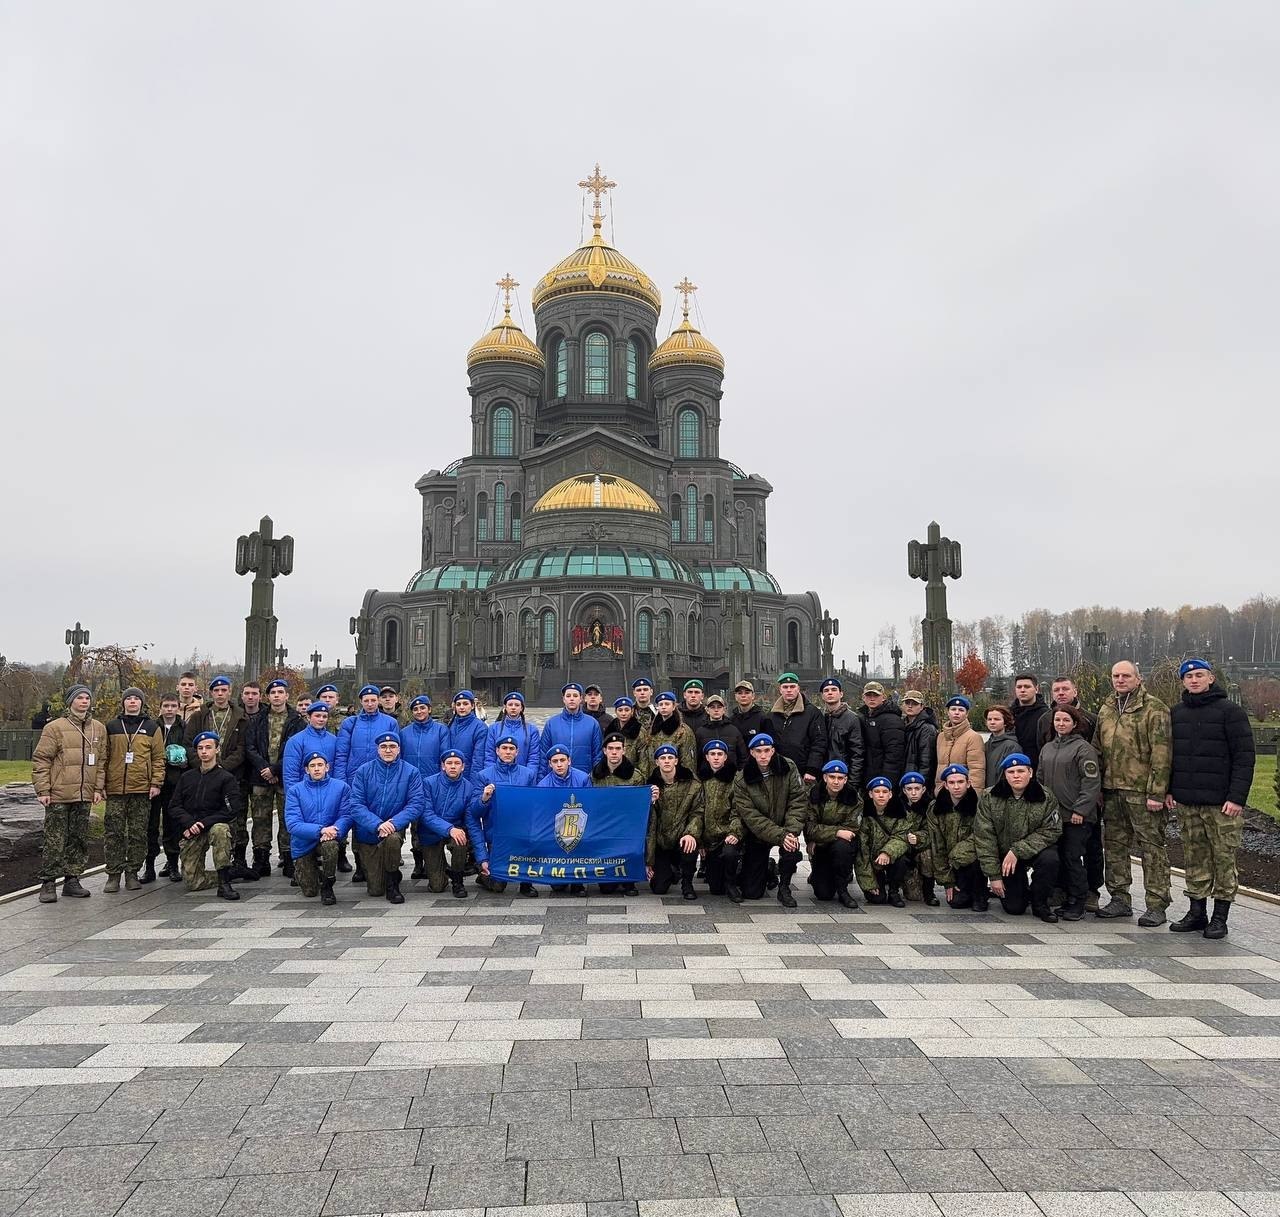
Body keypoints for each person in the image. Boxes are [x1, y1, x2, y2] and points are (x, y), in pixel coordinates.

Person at [1167, 658, 1256, 940]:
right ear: (1182, 682)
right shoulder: (1176, 713)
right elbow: (1170, 757)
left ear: (1210, 678)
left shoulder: (1231, 712)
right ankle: (1197, 911)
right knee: (1194, 857)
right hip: (1188, 801)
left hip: (1222, 804)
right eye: (1189, 676)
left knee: (1223, 858)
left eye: (1199, 675)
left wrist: (1237, 797)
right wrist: (1169, 789)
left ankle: (1220, 916)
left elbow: (1244, 757)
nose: (1194, 680)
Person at [1093, 660, 1172, 925]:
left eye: (1126, 675)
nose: (1120, 680)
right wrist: (1098, 788)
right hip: (1112, 790)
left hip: (1142, 792)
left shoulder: (1154, 709)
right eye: (1116, 675)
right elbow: (1097, 750)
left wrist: (1157, 793)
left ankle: (1157, 904)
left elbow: (1162, 754)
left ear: (1138, 678)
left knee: (1151, 848)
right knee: (1114, 846)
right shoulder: (1107, 709)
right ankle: (1119, 898)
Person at [33, 684, 105, 903]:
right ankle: (48, 882)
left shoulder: (98, 729)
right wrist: (43, 789)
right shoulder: (55, 728)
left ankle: (72, 878)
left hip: (84, 794)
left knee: (78, 838)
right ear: (70, 701)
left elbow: (101, 761)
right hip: (59, 794)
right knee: (55, 839)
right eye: (79, 698)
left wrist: (98, 788)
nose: (84, 701)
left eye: (87, 698)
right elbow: (42, 759)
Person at [1034, 677, 1102, 911]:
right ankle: (1064, 896)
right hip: (1055, 815)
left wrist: (1081, 810)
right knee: (1061, 856)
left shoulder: (1084, 748)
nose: (1061, 724)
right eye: (1058, 720)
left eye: (1066, 720)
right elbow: (1040, 779)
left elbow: (1091, 782)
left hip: (1077, 816)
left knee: (1074, 858)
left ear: (1075, 723)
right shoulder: (1048, 748)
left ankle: (1079, 901)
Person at [973, 752, 1063, 922]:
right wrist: (994, 876)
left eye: (1021, 771)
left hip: (1032, 852)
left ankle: (1040, 903)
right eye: (1011, 772)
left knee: (1050, 858)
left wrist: (1017, 850)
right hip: (1005, 857)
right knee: (1014, 908)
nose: (1016, 776)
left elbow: (1052, 830)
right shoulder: (990, 797)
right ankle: (1021, 891)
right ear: (1005, 775)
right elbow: (985, 838)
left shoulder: (1045, 797)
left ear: (1030, 773)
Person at [101, 687, 165, 893]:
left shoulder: (152, 727)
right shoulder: (111, 726)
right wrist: (100, 784)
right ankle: (113, 874)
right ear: (123, 702)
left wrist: (156, 783)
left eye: (137, 699)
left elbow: (158, 758)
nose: (132, 702)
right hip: (115, 790)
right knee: (114, 832)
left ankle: (132, 872)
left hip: (141, 789)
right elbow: (104, 757)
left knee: (138, 833)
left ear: (141, 703)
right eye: (128, 698)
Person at [731, 734, 807, 907]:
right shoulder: (742, 779)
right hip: (758, 833)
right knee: (751, 892)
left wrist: (790, 832)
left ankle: (784, 888)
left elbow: (798, 801)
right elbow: (751, 816)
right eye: (759, 751)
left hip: (786, 827)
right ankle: (769, 867)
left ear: (773, 751)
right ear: (752, 753)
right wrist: (779, 835)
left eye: (767, 751)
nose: (763, 755)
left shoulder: (788, 767)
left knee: (791, 846)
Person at [349, 732, 425, 904]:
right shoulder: (364, 771)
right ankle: (384, 872)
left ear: (398, 749)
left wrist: (393, 823)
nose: (388, 750)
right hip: (369, 832)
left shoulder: (411, 772)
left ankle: (393, 884)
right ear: (378, 749)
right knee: (375, 890)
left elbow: (416, 804)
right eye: (384, 747)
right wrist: (377, 824)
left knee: (391, 840)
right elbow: (356, 805)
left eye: (392, 746)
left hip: (393, 827)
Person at [336, 685, 399, 883]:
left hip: (382, 778)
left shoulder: (390, 722)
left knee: (382, 816)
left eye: (373, 700)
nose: (370, 704)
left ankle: (383, 860)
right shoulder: (350, 723)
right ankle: (361, 864)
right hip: (355, 779)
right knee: (358, 819)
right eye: (366, 700)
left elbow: (397, 752)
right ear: (361, 702)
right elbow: (341, 754)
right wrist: (341, 781)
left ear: (378, 701)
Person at [169, 731, 242, 900]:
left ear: (217, 749)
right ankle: (231, 873)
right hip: (193, 828)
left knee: (220, 831)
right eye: (200, 748)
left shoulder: (226, 778)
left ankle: (224, 883)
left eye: (208, 747)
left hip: (213, 825)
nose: (204, 751)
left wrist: (203, 823)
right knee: (193, 882)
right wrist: (189, 823)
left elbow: (231, 810)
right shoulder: (187, 777)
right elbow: (174, 806)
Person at [245, 678, 305, 878]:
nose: (277, 695)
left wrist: (275, 769)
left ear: (287, 696)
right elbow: (250, 747)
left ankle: (288, 858)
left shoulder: (297, 720)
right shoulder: (258, 719)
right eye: (273, 692)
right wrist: (265, 768)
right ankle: (261, 859)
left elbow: (297, 749)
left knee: (286, 818)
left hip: (285, 777)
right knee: (260, 819)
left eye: (281, 692)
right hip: (260, 776)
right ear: (268, 696)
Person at [185, 676, 249, 860]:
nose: (220, 694)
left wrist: (222, 767)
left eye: (224, 690)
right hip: (203, 776)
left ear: (230, 692)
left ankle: (237, 859)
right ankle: (196, 856)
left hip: (231, 775)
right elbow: (189, 744)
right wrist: (203, 765)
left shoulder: (240, 717)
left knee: (236, 816)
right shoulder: (200, 716)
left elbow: (242, 747)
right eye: (216, 691)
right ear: (211, 693)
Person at [469, 734, 538, 894]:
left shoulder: (527, 774)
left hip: (521, 832)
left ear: (517, 752)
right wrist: (484, 798)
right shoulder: (484, 775)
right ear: (497, 751)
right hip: (497, 835)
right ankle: (483, 875)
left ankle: (526, 883)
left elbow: (534, 805)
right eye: (504, 748)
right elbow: (475, 812)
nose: (508, 752)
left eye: (511, 749)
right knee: (498, 887)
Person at [284, 751, 353, 906]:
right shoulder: (295, 791)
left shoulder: (341, 787)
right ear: (307, 770)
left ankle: (328, 885)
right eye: (312, 766)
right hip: (304, 843)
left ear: (327, 767)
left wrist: (335, 830)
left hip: (329, 838)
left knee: (331, 846)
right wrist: (321, 830)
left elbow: (347, 816)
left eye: (320, 765)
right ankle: (311, 871)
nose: (317, 769)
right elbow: (292, 823)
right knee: (309, 892)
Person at [645, 743, 703, 899]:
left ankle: (687, 883)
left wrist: (691, 833)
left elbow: (698, 812)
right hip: (662, 843)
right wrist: (651, 803)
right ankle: (672, 870)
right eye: (662, 758)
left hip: (681, 837)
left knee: (690, 845)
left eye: (670, 757)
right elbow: (649, 824)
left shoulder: (692, 784)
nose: (667, 761)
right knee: (658, 888)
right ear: (657, 762)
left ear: (676, 761)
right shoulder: (649, 786)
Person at [400, 695, 448, 881]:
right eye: (416, 709)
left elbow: (444, 757)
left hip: (433, 783)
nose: (419, 711)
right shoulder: (405, 733)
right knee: (416, 825)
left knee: (433, 820)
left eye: (423, 708)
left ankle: (436, 860)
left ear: (429, 709)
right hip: (412, 784)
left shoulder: (441, 730)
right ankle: (418, 861)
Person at [591, 731, 645, 896]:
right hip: (604, 828)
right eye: (611, 748)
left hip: (627, 828)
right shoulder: (595, 776)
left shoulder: (635, 777)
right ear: (604, 751)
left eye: (618, 748)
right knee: (606, 890)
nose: (614, 752)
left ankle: (629, 880)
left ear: (624, 750)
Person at [420, 748, 476, 898]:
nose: (453, 766)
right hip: (430, 833)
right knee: (437, 886)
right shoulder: (428, 783)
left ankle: (458, 881)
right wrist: (449, 828)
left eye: (457, 763)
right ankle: (442, 868)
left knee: (461, 840)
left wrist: (480, 855)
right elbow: (426, 814)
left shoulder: (469, 788)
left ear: (463, 767)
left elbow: (470, 820)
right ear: (443, 766)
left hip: (455, 831)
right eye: (449, 763)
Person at [804, 759, 860, 907]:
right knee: (823, 894)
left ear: (845, 779)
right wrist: (837, 832)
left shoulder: (854, 798)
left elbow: (851, 830)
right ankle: (819, 873)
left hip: (840, 847)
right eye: (832, 777)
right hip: (821, 848)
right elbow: (809, 828)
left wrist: (827, 835)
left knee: (843, 846)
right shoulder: (812, 795)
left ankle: (843, 889)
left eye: (840, 778)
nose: (836, 782)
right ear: (824, 777)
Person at [928, 764, 984, 910]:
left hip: (973, 860)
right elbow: (937, 845)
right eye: (952, 783)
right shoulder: (936, 809)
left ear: (968, 783)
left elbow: (982, 837)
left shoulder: (979, 806)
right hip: (952, 865)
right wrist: (947, 881)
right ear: (945, 785)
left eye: (960, 782)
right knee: (957, 903)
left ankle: (980, 894)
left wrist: (958, 853)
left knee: (978, 859)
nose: (956, 787)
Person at [538, 744, 591, 897]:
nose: (559, 764)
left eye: (562, 760)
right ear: (550, 764)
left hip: (579, 827)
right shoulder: (543, 785)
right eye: (555, 761)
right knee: (558, 886)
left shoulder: (582, 778)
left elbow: (589, 806)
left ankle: (578, 882)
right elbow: (543, 815)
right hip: (556, 830)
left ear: (570, 761)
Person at [854, 776, 911, 906]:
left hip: (891, 859)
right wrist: (869, 883)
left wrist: (887, 852)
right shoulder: (863, 816)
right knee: (877, 899)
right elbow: (862, 852)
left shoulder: (900, 812)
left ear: (890, 794)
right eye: (877, 792)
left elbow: (902, 837)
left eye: (885, 792)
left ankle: (893, 890)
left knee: (902, 859)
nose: (881, 795)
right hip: (873, 862)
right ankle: (879, 881)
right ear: (870, 794)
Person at [698, 739, 743, 902]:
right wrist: (700, 841)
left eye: (720, 754)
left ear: (725, 757)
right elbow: (697, 812)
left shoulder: (736, 780)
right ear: (707, 757)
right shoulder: (700, 780)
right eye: (712, 754)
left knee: (730, 853)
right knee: (716, 889)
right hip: (710, 839)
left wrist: (734, 832)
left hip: (728, 835)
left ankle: (732, 883)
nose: (716, 757)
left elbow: (738, 811)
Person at [152, 693, 188, 882]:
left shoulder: (184, 727)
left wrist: (182, 760)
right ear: (160, 707)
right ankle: (149, 866)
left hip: (176, 782)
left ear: (178, 707)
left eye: (173, 706)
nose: (169, 709)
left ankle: (173, 863)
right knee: (151, 825)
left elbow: (190, 749)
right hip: (153, 782)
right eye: (166, 705)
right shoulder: (152, 727)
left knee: (173, 823)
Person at [766, 673, 825, 784]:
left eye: (792, 687)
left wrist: (812, 769)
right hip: (778, 772)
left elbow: (819, 742)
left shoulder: (812, 713)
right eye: (785, 687)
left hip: (804, 773)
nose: (789, 690)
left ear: (798, 688)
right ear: (780, 690)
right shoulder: (771, 715)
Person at [540, 683, 604, 777]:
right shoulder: (551, 723)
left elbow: (597, 755)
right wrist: (542, 778)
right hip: (557, 779)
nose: (572, 699)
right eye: (568, 696)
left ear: (581, 699)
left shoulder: (592, 723)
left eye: (575, 695)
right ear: (563, 699)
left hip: (585, 778)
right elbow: (543, 754)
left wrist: (595, 777)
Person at [816, 677, 865, 790]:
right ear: (822, 696)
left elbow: (857, 753)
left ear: (841, 694)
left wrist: (852, 783)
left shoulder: (852, 719)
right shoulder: (819, 718)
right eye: (826, 691)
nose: (830, 693)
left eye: (834, 690)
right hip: (823, 777)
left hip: (843, 776)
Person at [899, 771, 938, 906]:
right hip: (903, 850)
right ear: (904, 790)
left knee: (927, 854)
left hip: (920, 849)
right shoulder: (897, 807)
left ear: (924, 789)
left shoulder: (930, 807)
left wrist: (919, 838)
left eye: (917, 789)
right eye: (909, 789)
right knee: (913, 897)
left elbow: (933, 832)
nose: (913, 793)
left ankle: (929, 891)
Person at [858, 681, 906, 786]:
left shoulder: (892, 720)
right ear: (863, 697)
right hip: (868, 777)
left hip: (883, 781)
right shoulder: (863, 718)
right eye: (868, 695)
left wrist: (886, 781)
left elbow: (894, 755)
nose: (872, 698)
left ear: (883, 697)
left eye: (875, 695)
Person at [935, 696, 986, 792]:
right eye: (953, 709)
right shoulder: (941, 737)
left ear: (967, 714)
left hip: (963, 793)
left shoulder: (973, 737)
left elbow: (977, 770)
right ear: (948, 712)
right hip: (943, 791)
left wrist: (974, 795)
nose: (957, 713)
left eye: (961, 710)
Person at [640, 691, 698, 773]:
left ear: (674, 706)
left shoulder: (683, 731)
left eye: (667, 704)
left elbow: (688, 761)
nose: (663, 707)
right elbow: (646, 758)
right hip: (655, 777)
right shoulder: (653, 731)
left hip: (676, 778)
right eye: (661, 704)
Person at [284, 701, 337, 789]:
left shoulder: (334, 740)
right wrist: (293, 798)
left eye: (324, 716)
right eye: (317, 716)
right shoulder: (296, 741)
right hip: (305, 792)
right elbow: (290, 774)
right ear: (308, 717)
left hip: (329, 792)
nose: (321, 719)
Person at [485, 692, 541, 770]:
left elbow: (534, 758)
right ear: (505, 707)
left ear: (522, 708)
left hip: (522, 776)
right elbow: (489, 756)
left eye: (517, 705)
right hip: (498, 775)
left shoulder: (531, 730)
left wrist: (529, 776)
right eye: (510, 705)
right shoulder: (494, 728)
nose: (513, 707)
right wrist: (491, 777)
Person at [694, 694, 748, 768]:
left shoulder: (734, 731)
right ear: (707, 710)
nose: (716, 710)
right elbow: (696, 758)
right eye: (712, 707)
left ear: (724, 710)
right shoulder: (700, 732)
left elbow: (743, 757)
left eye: (719, 707)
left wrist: (739, 775)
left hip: (731, 776)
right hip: (707, 777)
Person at [901, 691, 939, 791]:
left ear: (921, 706)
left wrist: (921, 784)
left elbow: (927, 761)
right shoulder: (902, 725)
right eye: (907, 703)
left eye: (914, 704)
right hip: (905, 779)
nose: (910, 706)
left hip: (918, 783)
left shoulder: (927, 728)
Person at [1009, 673, 1048, 766]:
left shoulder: (1046, 715)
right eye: (1019, 687)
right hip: (1012, 769)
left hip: (1037, 768)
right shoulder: (1008, 714)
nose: (1022, 690)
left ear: (1036, 689)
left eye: (1027, 687)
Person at [983, 706, 1022, 783]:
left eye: (997, 719)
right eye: (989, 719)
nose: (992, 722)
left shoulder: (1012, 746)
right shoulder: (986, 745)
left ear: (1005, 722)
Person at [603, 696, 645, 765]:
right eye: (620, 710)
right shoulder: (610, 730)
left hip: (632, 772)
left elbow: (643, 759)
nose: (623, 713)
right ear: (616, 712)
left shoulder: (639, 731)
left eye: (627, 710)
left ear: (632, 711)